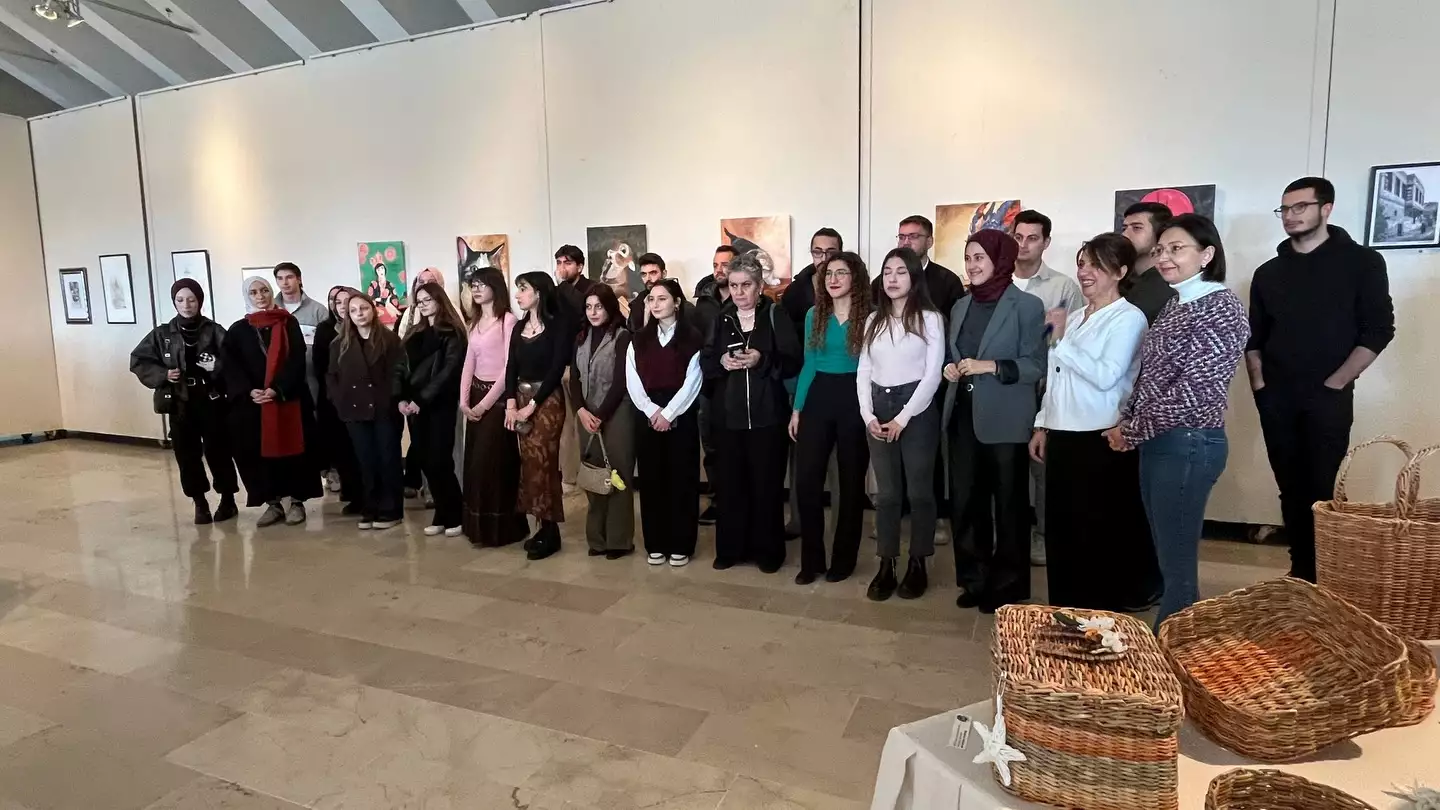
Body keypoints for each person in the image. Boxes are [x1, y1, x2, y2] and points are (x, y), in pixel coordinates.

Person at [1246, 176, 1395, 582]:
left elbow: (1379, 330)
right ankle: (1300, 570)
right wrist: (1260, 387)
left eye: (1300, 207)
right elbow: (1254, 338)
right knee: (1289, 486)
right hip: (1276, 396)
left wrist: (1337, 382)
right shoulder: (1268, 272)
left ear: (1326, 208)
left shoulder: (1362, 262)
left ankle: (1324, 573)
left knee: (1321, 486)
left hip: (1328, 395)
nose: (1290, 216)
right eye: (1284, 209)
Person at [1107, 214, 1249, 627]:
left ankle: (1172, 648)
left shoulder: (1221, 306)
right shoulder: (1176, 302)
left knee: (1178, 566)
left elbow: (1194, 392)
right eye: (1160, 249)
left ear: (1207, 254)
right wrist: (1130, 421)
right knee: (1169, 558)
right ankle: (1182, 641)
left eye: (1176, 248)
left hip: (1189, 443)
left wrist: (1132, 430)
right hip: (1160, 441)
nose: (1164, 257)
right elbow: (1151, 375)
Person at [1031, 234, 1152, 611]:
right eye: (1083, 263)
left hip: (1099, 438)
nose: (1085, 272)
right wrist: (1042, 423)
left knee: (1095, 532)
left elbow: (1105, 376)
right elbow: (1055, 376)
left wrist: (1061, 341)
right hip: (1063, 434)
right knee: (1062, 529)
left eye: (1097, 265)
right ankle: (1065, 610)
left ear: (1120, 272)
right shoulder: (1075, 317)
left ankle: (1099, 615)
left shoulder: (1128, 318)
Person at [942, 230, 1046, 613]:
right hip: (962, 416)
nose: (972, 265)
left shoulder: (1027, 305)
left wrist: (992, 366)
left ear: (1000, 259)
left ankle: (1008, 585)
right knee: (965, 502)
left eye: (980, 257)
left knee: (1009, 506)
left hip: (1006, 419)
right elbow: (953, 354)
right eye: (968, 257)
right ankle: (974, 579)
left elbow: (1035, 365)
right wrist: (949, 368)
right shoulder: (960, 306)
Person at [703, 252, 803, 573]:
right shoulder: (721, 318)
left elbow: (793, 361)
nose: (739, 292)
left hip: (767, 417)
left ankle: (768, 553)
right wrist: (721, 362)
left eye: (746, 285)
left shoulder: (775, 314)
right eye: (734, 285)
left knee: (766, 487)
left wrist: (762, 359)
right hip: (728, 418)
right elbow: (705, 362)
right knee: (730, 486)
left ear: (759, 286)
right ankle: (731, 550)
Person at [858, 248, 945, 601]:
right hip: (879, 406)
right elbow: (864, 370)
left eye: (901, 272)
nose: (892, 278)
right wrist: (868, 416)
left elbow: (932, 375)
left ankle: (918, 561)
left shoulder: (930, 319)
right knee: (888, 494)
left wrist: (903, 418)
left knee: (919, 492)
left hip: (916, 408)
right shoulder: (873, 320)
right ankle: (887, 563)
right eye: (887, 271)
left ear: (914, 277)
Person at [790, 251, 873, 584]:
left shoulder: (870, 317)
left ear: (856, 278)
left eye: (841, 273)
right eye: (828, 274)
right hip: (818, 397)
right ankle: (812, 561)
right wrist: (797, 408)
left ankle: (844, 559)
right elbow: (809, 363)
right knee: (807, 480)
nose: (833, 279)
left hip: (855, 397)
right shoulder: (815, 314)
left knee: (851, 483)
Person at [129, 279, 239, 525]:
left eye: (191, 299)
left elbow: (234, 364)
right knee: (186, 454)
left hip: (210, 400)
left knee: (218, 451)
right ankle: (199, 502)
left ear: (200, 301)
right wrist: (163, 374)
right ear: (174, 302)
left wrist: (217, 367)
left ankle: (228, 499)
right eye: (180, 300)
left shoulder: (215, 331)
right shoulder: (163, 334)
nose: (186, 305)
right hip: (180, 401)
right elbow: (138, 360)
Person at [1010, 209, 1085, 567]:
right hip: (1004, 387)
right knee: (1004, 466)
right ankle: (1008, 534)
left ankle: (1043, 536)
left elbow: (1077, 336)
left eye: (1032, 238)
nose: (1023, 245)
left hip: (1044, 388)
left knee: (1042, 468)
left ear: (1046, 242)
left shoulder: (1063, 287)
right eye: (1018, 237)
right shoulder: (997, 281)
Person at [224, 276, 322, 526]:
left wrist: (277, 389)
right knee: (259, 454)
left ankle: (297, 502)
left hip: (288, 399)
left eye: (264, 290)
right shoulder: (238, 330)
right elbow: (231, 366)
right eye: (254, 292)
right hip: (255, 405)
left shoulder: (288, 323)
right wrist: (249, 390)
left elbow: (297, 359)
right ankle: (273, 503)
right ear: (247, 296)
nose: (260, 296)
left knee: (296, 452)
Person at [626, 279, 705, 567]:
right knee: (651, 480)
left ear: (677, 302)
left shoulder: (692, 338)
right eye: (651, 299)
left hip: (680, 414)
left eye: (662, 298)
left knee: (681, 479)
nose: (655, 304)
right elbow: (632, 378)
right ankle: (655, 543)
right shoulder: (638, 339)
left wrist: (669, 414)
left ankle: (681, 543)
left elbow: (693, 380)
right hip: (647, 412)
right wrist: (651, 411)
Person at [459, 268, 529, 548]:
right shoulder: (476, 321)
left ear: (495, 288)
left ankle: (502, 528)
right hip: (476, 397)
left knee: (493, 464)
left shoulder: (508, 321)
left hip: (498, 398)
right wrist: (464, 401)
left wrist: (484, 405)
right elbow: (469, 362)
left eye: (481, 285)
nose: (476, 290)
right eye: (473, 285)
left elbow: (509, 368)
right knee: (475, 465)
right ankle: (478, 528)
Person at [327, 293, 407, 530]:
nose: (359, 314)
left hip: (384, 409)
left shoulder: (389, 340)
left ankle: (391, 510)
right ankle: (370, 507)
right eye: (353, 310)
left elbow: (399, 372)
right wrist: (339, 400)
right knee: (366, 461)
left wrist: (391, 398)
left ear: (373, 309)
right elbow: (332, 377)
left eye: (363, 308)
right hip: (354, 410)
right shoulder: (340, 343)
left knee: (388, 459)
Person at [505, 272, 570, 560]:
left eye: (523, 289)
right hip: (520, 399)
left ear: (539, 293)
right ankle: (543, 527)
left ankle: (551, 530)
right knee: (529, 464)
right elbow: (511, 367)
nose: (518, 295)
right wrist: (510, 403)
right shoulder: (519, 327)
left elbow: (556, 370)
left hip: (547, 400)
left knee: (544, 462)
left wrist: (531, 406)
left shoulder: (557, 326)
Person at [569, 284, 636, 558]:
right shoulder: (580, 338)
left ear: (609, 307)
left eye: (599, 306)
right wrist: (580, 410)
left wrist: (601, 415)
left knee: (617, 476)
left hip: (616, 414)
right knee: (594, 476)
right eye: (588, 307)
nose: (593, 312)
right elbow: (574, 379)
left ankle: (619, 541)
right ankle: (597, 540)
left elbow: (621, 381)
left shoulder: (622, 336)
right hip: (586, 415)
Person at [401, 282, 467, 536]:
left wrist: (422, 399)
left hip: (440, 404)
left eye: (428, 299)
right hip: (415, 407)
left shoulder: (452, 332)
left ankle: (455, 515)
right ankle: (441, 513)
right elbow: (402, 368)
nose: (423, 304)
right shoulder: (414, 332)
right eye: (419, 301)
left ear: (439, 300)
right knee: (426, 462)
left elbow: (448, 371)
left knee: (440, 461)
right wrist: (402, 398)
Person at [693, 245, 736, 525]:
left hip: (737, 384)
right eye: (715, 265)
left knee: (735, 446)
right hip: (707, 383)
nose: (719, 270)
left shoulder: (748, 298)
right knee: (711, 444)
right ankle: (718, 499)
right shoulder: (703, 301)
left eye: (725, 264)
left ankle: (736, 500)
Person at [780, 228, 845, 345]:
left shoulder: (852, 287)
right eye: (817, 252)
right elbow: (785, 335)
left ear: (841, 254)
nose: (824, 258)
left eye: (831, 253)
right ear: (812, 253)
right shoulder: (795, 291)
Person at [1118, 202, 1179, 324]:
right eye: (1124, 228)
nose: (1125, 234)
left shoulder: (1166, 285)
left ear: (1161, 234)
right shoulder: (1121, 279)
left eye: (1137, 228)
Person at [898, 215, 966, 317]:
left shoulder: (949, 282)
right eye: (901, 237)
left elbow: (956, 322)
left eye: (913, 237)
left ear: (929, 242)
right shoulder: (884, 282)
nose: (906, 243)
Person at [626, 253, 672, 331]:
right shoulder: (637, 303)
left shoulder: (677, 302)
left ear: (664, 274)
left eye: (653, 273)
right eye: (644, 274)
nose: (648, 278)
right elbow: (632, 333)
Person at [554, 244, 595, 324]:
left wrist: (562, 283)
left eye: (567, 263)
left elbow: (581, 309)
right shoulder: (555, 291)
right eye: (559, 263)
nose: (562, 268)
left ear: (579, 268)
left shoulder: (593, 287)